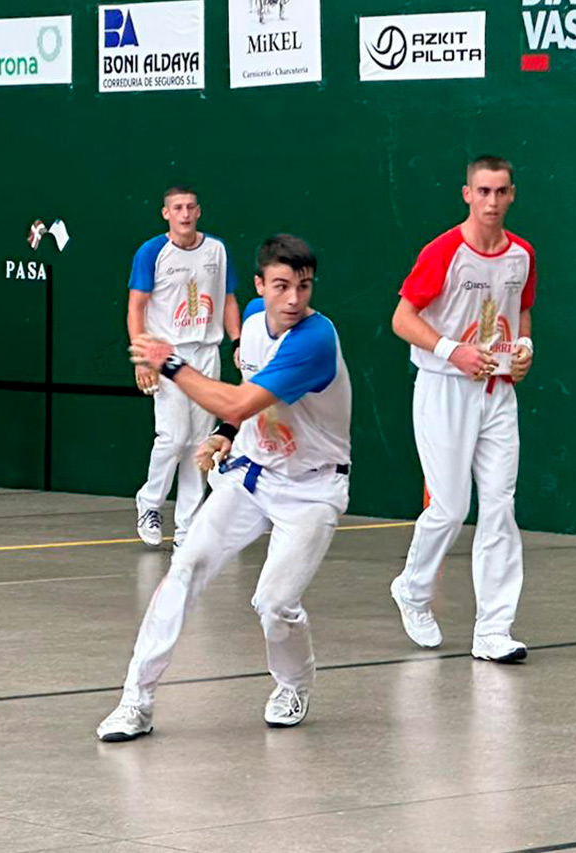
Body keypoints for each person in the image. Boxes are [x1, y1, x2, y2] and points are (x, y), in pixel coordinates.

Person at [98, 234, 351, 740]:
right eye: (281, 286)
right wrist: (226, 435)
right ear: (260, 286)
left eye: (303, 286)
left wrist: (170, 362)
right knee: (185, 567)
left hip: (312, 491)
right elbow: (246, 404)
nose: (294, 299)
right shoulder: (255, 323)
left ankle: (294, 683)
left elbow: (236, 401)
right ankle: (136, 701)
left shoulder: (316, 340)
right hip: (251, 478)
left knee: (274, 604)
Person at [388, 155, 536, 663]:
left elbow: (523, 314)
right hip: (443, 388)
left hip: (498, 396)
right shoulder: (444, 252)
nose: (492, 202)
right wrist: (454, 350)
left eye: (501, 192)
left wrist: (524, 353)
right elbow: (402, 319)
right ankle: (412, 588)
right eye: (483, 192)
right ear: (467, 194)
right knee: (450, 508)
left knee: (499, 505)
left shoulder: (522, 256)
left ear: (512, 194)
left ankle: (493, 630)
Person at [128, 186, 242, 549]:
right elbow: (136, 307)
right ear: (166, 214)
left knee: (200, 442)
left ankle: (188, 529)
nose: (185, 213)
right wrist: (144, 356)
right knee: (173, 437)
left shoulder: (217, 250)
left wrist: (237, 342)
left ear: (199, 211)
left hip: (207, 352)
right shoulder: (151, 252)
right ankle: (149, 503)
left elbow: (227, 299)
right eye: (177, 208)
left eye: (191, 207)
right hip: (166, 353)